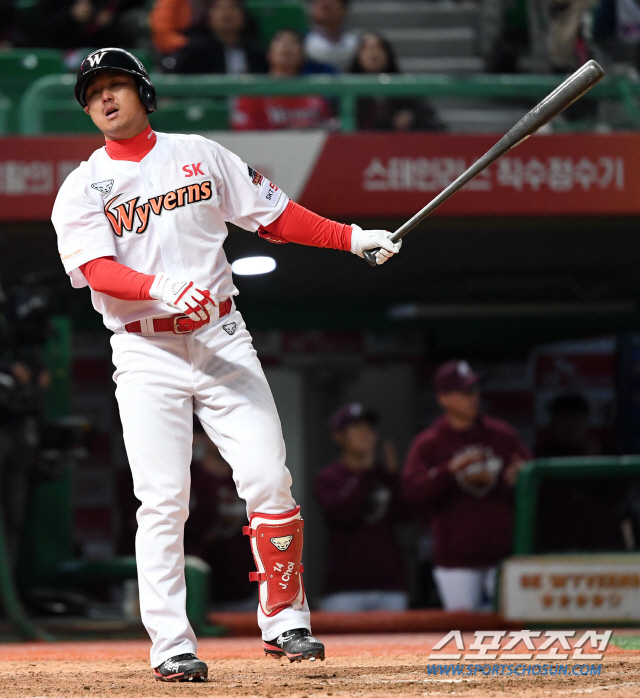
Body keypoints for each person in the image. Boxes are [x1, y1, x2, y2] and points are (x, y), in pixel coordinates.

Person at [51, 47, 401, 682]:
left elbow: (275, 215)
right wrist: (158, 287)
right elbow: (95, 269)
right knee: (163, 500)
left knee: (269, 476)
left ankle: (286, 619)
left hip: (220, 333)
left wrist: (352, 238)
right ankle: (170, 644)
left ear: (143, 93)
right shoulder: (82, 185)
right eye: (93, 91)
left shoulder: (200, 153)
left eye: (117, 84)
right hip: (144, 348)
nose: (105, 97)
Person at [402, 360, 531, 612]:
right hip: (456, 560)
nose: (473, 397)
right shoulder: (429, 442)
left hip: (501, 556)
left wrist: (519, 478)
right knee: (463, 629)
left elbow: (530, 472)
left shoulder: (500, 434)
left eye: (474, 390)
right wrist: (450, 470)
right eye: (464, 392)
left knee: (510, 626)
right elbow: (411, 489)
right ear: (443, 398)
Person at [315, 403, 408, 612]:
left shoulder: (384, 474)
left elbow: (405, 516)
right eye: (356, 428)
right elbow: (344, 514)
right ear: (338, 437)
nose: (365, 434)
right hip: (344, 586)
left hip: (389, 582)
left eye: (368, 428)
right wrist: (364, 474)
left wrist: (395, 479)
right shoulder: (328, 478)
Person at [185, 421, 255, 609]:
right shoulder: (188, 476)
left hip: (244, 585)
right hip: (200, 587)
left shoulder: (248, 475)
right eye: (215, 432)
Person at [231, 29, 335, 131]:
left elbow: (326, 131)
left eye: (293, 42)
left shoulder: (315, 95)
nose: (286, 46)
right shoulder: (252, 93)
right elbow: (243, 134)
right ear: (269, 53)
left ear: (302, 56)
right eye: (280, 41)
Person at [348, 32, 444, 132]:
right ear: (358, 55)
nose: (373, 53)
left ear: (387, 54)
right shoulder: (347, 88)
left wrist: (411, 116)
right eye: (366, 48)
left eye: (379, 48)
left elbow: (430, 119)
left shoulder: (405, 87)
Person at [165, 0, 267, 75]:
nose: (227, 13)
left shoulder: (257, 52)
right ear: (209, 17)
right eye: (220, 8)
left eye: (233, 7)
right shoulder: (196, 52)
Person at [304, 0, 359, 72]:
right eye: (318, 2)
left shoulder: (356, 43)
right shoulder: (302, 42)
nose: (323, 4)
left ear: (344, 9)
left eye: (328, 5)